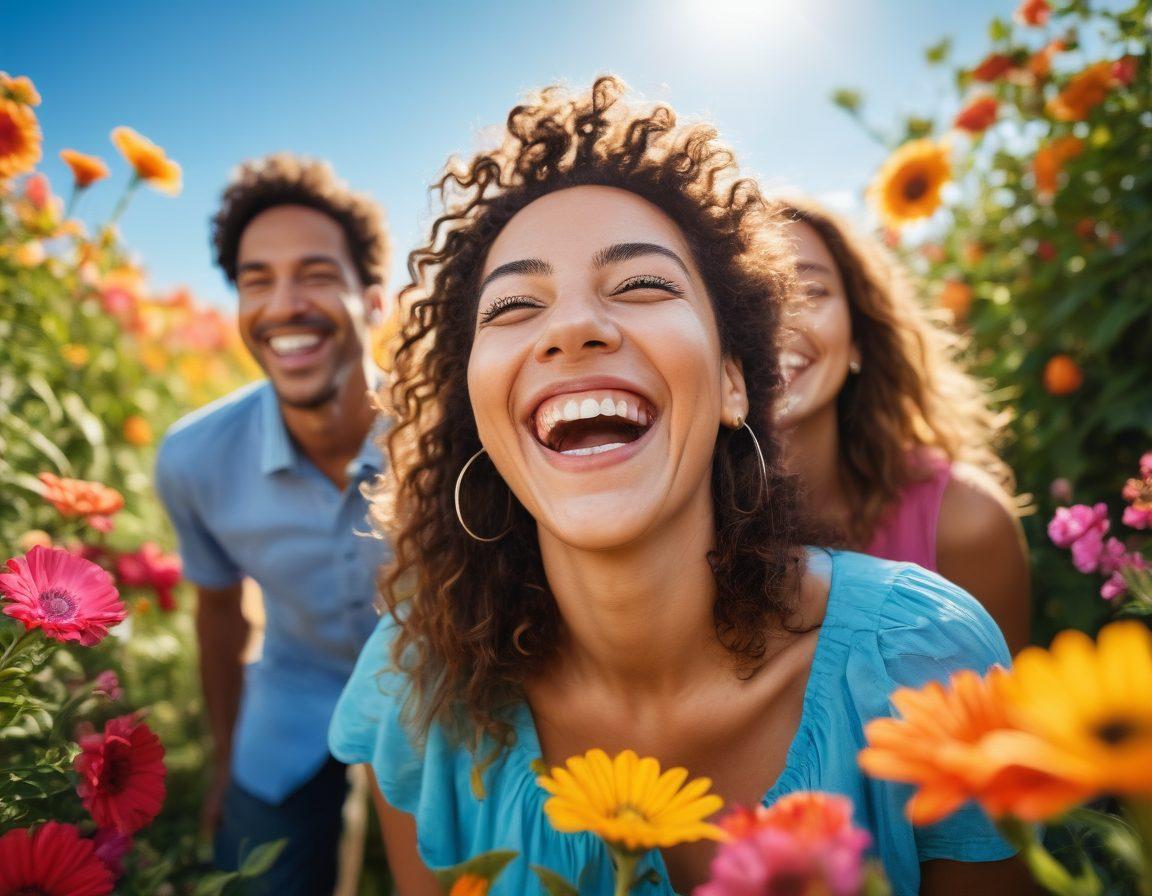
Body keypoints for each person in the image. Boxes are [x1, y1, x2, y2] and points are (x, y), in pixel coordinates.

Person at [329, 78, 1034, 895]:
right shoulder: (416, 690)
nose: (571, 327)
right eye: (515, 305)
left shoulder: (924, 661)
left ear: (737, 383)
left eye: (640, 285)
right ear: (476, 410)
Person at [155, 153, 392, 893]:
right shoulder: (195, 459)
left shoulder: (463, 435)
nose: (283, 304)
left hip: (455, 702)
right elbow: (219, 611)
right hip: (291, 697)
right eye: (257, 280)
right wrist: (224, 758)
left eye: (317, 274)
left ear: (374, 301)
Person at [772, 197, 1031, 653]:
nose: (781, 320)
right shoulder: (664, 532)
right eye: (751, 294)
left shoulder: (965, 522)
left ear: (858, 336)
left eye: (811, 291)